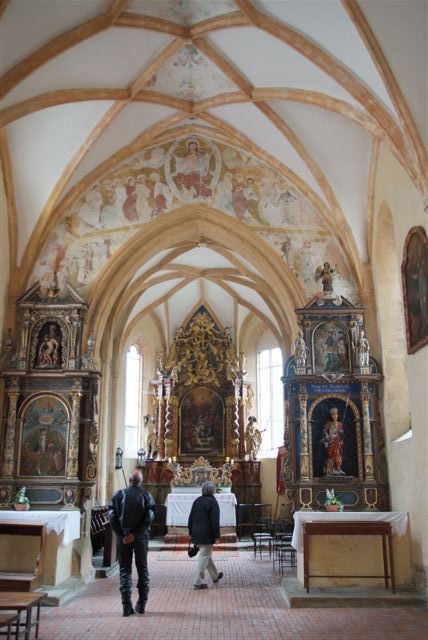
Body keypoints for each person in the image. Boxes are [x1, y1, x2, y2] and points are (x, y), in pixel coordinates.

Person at [109, 469, 156, 616]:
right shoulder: (146, 495)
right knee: (142, 569)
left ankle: (126, 607)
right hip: (140, 538)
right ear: (140, 482)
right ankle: (141, 605)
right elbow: (149, 517)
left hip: (123, 538)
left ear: (129, 480)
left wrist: (122, 534)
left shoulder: (118, 494)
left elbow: (112, 515)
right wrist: (135, 534)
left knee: (124, 570)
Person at [188, 481, 223, 590]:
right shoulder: (212, 502)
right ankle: (198, 582)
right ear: (212, 491)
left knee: (206, 554)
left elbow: (191, 518)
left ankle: (215, 576)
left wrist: (191, 532)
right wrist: (216, 535)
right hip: (207, 534)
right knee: (204, 555)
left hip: (196, 533)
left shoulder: (197, 501)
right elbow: (214, 521)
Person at [321, 407, 345, 476]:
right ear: (331, 416)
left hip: (337, 442)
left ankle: (338, 468)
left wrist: (341, 432)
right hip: (330, 441)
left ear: (337, 415)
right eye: (333, 415)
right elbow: (324, 431)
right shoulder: (329, 423)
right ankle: (331, 470)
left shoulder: (340, 424)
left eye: (336, 414)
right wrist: (326, 436)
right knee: (330, 456)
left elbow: (342, 435)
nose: (335, 416)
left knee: (338, 455)